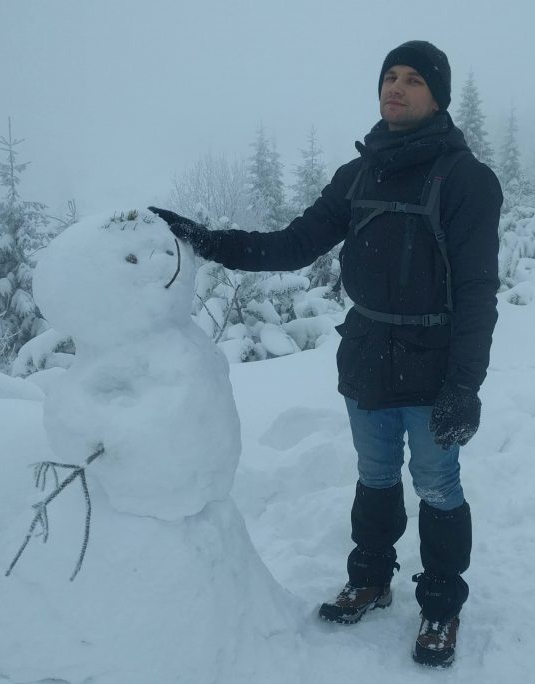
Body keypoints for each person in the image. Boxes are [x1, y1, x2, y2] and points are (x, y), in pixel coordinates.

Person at [150, 39, 502, 668]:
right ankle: (370, 577)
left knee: (439, 485)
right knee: (374, 477)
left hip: (434, 361)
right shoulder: (359, 175)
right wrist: (207, 241)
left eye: (412, 79)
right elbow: (293, 245)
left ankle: (442, 604)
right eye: (388, 77)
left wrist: (464, 385)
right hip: (367, 357)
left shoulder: (467, 180)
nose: (394, 88)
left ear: (437, 96)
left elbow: (477, 292)